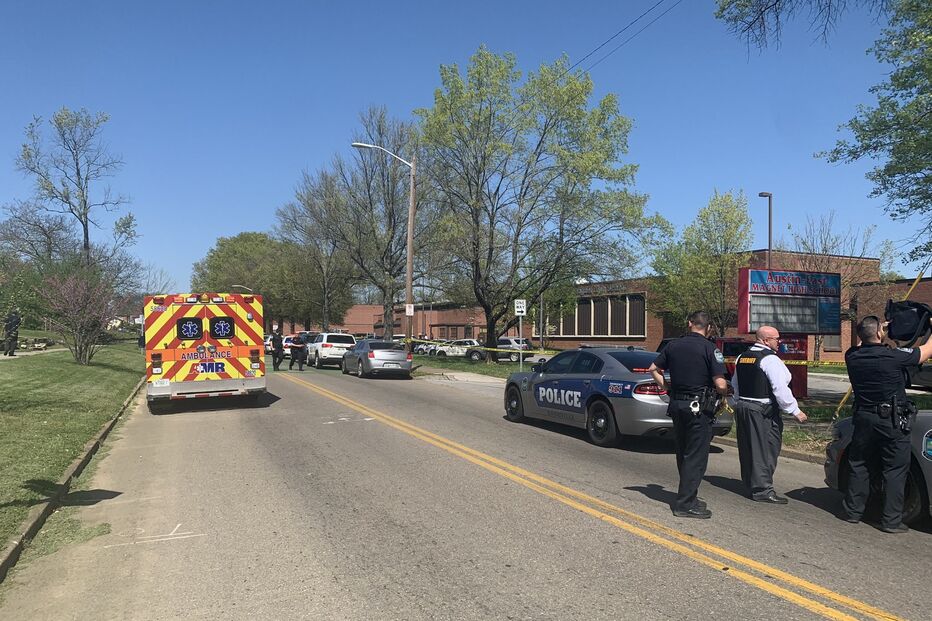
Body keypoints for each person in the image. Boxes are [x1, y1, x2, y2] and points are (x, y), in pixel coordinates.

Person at [841, 315, 932, 533]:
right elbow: (927, 350)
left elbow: (864, 341)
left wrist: (875, 329)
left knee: (859, 463)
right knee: (895, 469)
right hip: (890, 421)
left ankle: (853, 512)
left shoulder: (852, 356)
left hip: (863, 418)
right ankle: (891, 521)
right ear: (880, 334)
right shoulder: (893, 356)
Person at [649, 311, 728, 519]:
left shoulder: (673, 345)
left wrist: (666, 387)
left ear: (689, 324)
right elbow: (720, 383)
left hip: (677, 405)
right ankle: (684, 505)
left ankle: (688, 496)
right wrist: (726, 391)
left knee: (683, 452)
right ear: (708, 327)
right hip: (699, 408)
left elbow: (653, 368)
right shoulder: (710, 348)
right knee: (696, 456)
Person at [731, 326, 808, 504]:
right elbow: (780, 388)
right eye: (776, 339)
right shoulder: (770, 359)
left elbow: (735, 384)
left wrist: (736, 403)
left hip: (743, 406)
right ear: (766, 340)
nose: (778, 342)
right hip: (762, 410)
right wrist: (795, 410)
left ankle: (751, 484)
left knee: (748, 448)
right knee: (766, 449)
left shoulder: (742, 357)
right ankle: (763, 490)